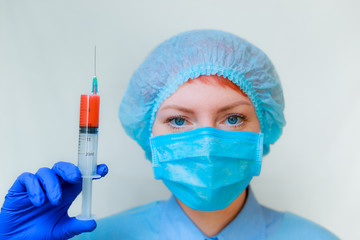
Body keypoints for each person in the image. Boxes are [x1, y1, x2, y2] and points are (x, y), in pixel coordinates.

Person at [0, 30, 338, 240]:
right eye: (179, 121)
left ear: (263, 130)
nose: (206, 143)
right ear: (149, 136)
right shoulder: (98, 238)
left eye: (233, 118)